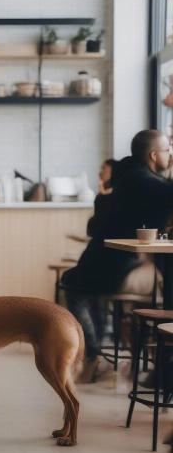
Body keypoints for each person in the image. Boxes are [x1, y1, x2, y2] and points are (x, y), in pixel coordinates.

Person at [63, 130, 173, 383]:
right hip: (118, 262)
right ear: (154, 155)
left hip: (107, 259)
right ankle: (96, 353)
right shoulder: (142, 180)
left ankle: (95, 354)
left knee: (75, 287)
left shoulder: (129, 177)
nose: (170, 155)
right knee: (76, 287)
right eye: (168, 151)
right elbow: (167, 193)